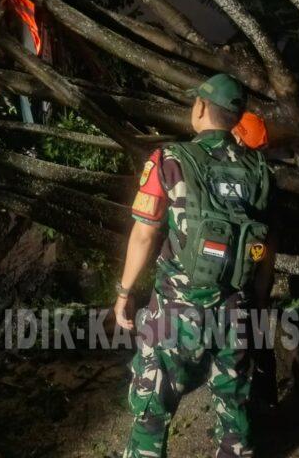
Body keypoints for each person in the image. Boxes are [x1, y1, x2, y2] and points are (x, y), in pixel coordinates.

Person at [114, 73, 274, 458]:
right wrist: (259, 303)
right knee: (234, 412)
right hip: (235, 310)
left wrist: (124, 293)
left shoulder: (170, 160)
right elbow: (266, 246)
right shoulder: (259, 171)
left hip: (175, 312)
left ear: (200, 108)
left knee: (152, 411)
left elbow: (144, 233)